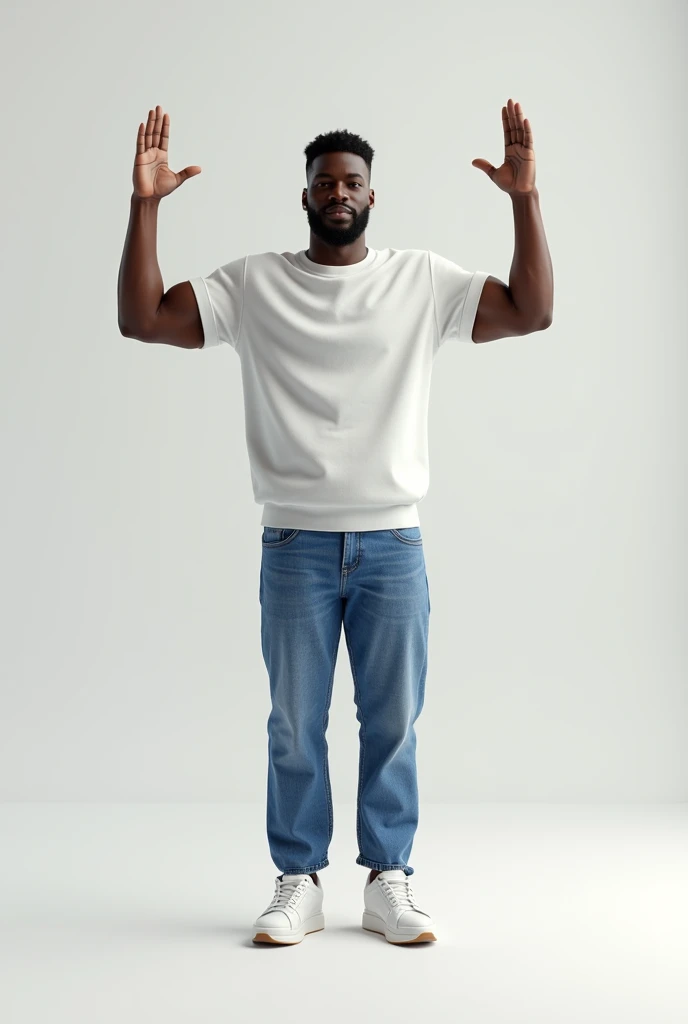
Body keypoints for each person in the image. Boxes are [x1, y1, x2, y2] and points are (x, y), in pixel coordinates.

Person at [117, 101, 554, 946]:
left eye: (353, 181)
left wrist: (523, 199)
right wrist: (145, 209)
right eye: (326, 182)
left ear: (372, 197)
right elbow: (143, 319)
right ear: (307, 197)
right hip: (295, 547)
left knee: (392, 723)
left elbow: (531, 310)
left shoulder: (420, 280)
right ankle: (298, 881)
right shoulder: (253, 285)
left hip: (393, 542)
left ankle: (390, 879)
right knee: (294, 723)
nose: (339, 192)